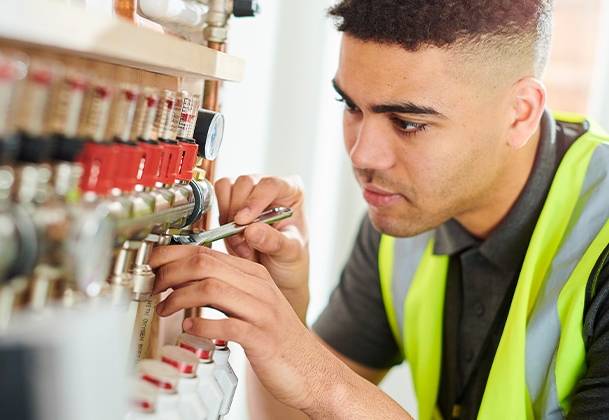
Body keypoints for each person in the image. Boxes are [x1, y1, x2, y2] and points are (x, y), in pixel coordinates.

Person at [149, 0, 609, 418]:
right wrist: (286, 307)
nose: (363, 155)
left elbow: (322, 389)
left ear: (520, 113)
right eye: (350, 106)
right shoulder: (408, 212)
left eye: (408, 123)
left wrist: (318, 373)